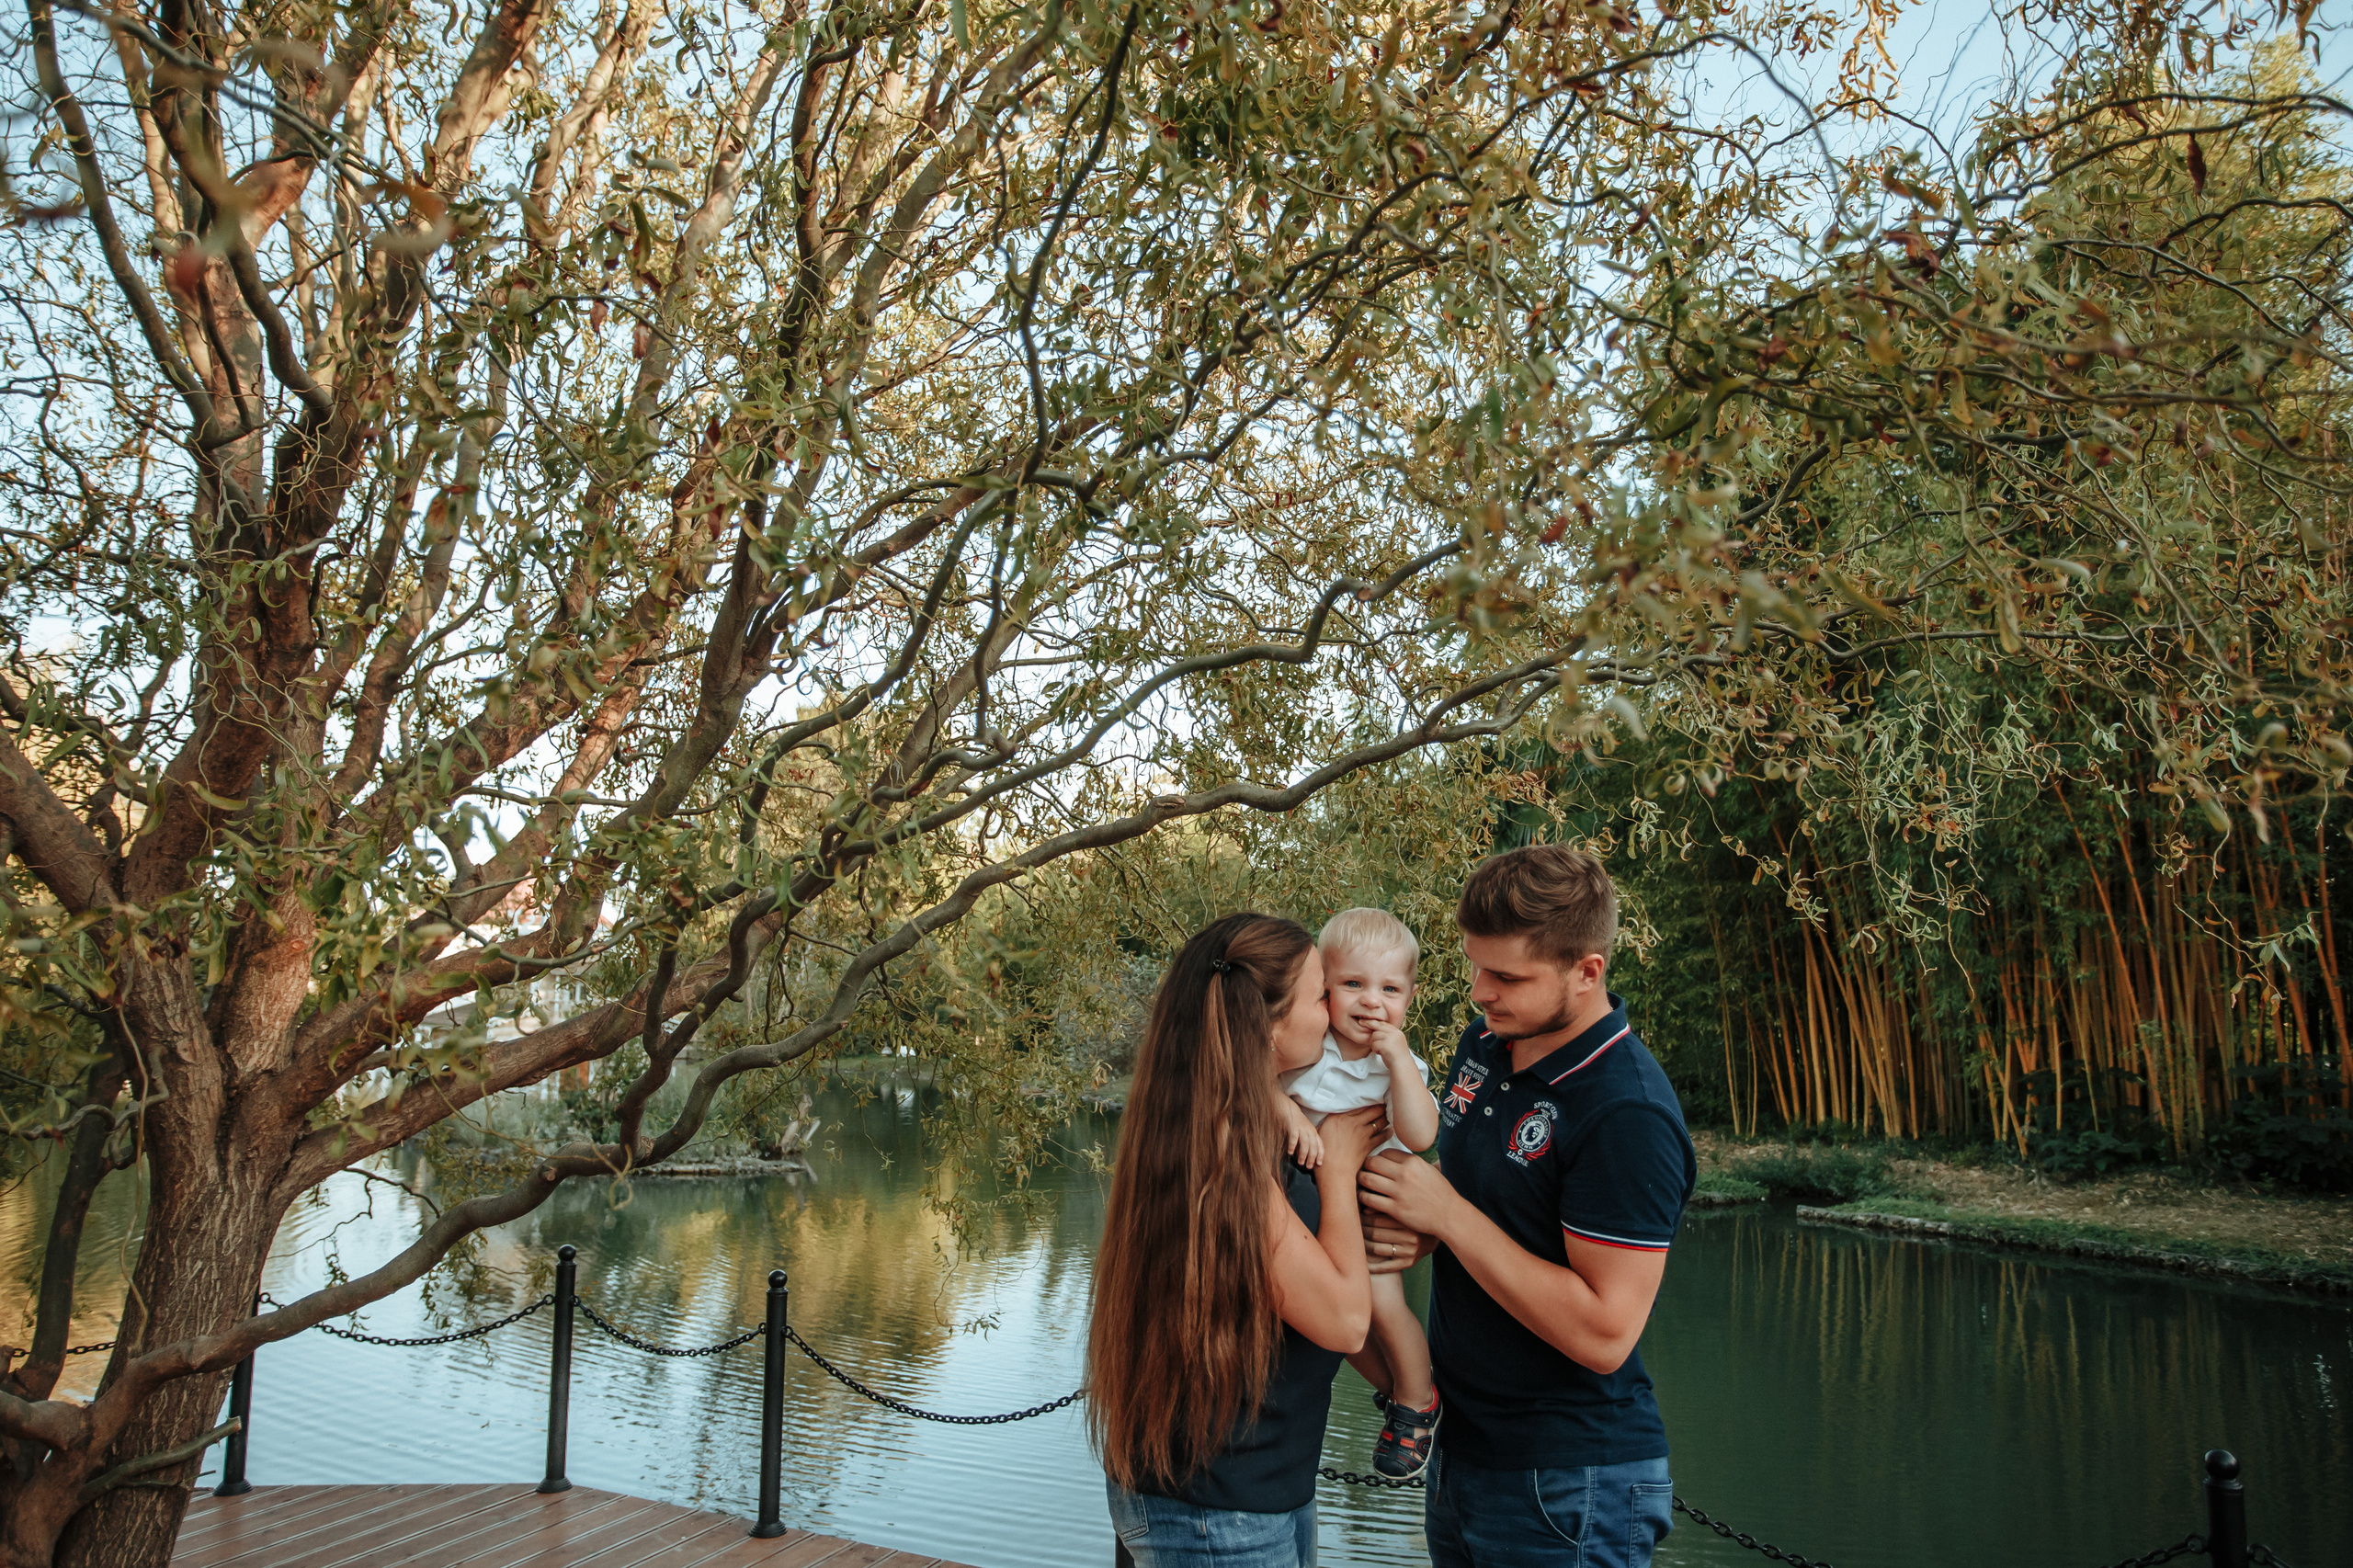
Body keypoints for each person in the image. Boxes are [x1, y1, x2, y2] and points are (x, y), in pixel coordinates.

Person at [1357, 846, 1696, 1568]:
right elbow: (1495, 1206)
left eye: (1507, 976)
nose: (1479, 991)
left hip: (1569, 1480)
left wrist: (1447, 1216)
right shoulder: (1489, 1040)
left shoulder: (1625, 1112)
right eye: (1476, 966)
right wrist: (1424, 1232)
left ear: (1587, 970)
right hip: (1464, 1449)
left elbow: (1605, 1333)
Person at [1089, 913, 1389, 1568]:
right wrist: (1337, 1172)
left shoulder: (1217, 1115)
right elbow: (1341, 1320)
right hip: (1216, 1512)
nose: (1335, 1011)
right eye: (1320, 995)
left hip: (1244, 1491)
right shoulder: (1227, 1151)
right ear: (1269, 1023)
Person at [1272, 907, 1443, 1478]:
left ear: (1410, 997)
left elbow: (1419, 1136)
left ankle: (1418, 1399)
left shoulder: (1397, 1067)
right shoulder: (1308, 1050)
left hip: (1366, 1211)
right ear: (1324, 991)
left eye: (1390, 989)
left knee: (1385, 1308)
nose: (1372, 1002)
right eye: (1352, 985)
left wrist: (1398, 1063)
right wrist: (1288, 1116)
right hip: (1312, 1216)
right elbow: (1252, 1080)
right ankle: (1396, 1394)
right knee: (1333, 1324)